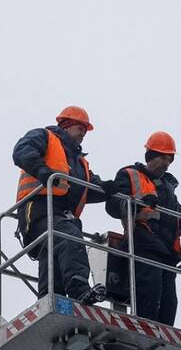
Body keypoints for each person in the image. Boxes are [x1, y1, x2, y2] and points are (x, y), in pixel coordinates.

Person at [13, 105, 118, 304]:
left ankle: (50, 298)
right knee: (68, 236)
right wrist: (43, 172)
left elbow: (89, 185)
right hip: (37, 210)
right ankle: (79, 289)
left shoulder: (79, 162)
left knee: (53, 249)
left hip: (63, 214)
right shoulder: (44, 137)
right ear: (67, 125)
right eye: (81, 128)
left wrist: (106, 188)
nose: (84, 133)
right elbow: (21, 150)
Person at [105, 131, 181, 325]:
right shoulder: (129, 175)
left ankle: (163, 336)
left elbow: (177, 225)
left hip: (168, 253)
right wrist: (138, 203)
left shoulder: (169, 190)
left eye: (169, 159)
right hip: (144, 244)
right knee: (150, 290)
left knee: (168, 302)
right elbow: (114, 206)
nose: (166, 163)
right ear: (150, 156)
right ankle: (144, 330)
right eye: (162, 157)